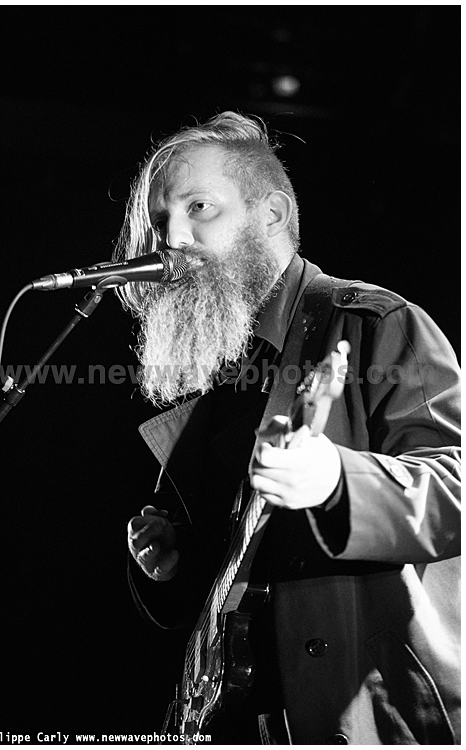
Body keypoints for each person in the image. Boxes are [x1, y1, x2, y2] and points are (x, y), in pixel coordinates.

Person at [115, 111, 461, 744]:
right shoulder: (220, 370)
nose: (173, 239)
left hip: (370, 720)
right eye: (162, 222)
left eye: (199, 208)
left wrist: (335, 480)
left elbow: (454, 494)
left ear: (271, 214)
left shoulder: (379, 324)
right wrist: (173, 561)